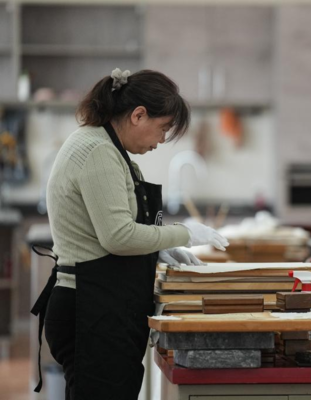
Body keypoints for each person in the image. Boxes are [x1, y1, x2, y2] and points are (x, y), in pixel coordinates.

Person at [31, 68, 229, 400]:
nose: (162, 140)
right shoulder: (98, 152)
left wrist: (155, 249)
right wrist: (182, 234)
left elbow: (116, 230)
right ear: (138, 115)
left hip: (100, 307)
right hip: (91, 312)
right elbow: (118, 237)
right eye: (163, 128)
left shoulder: (107, 148)